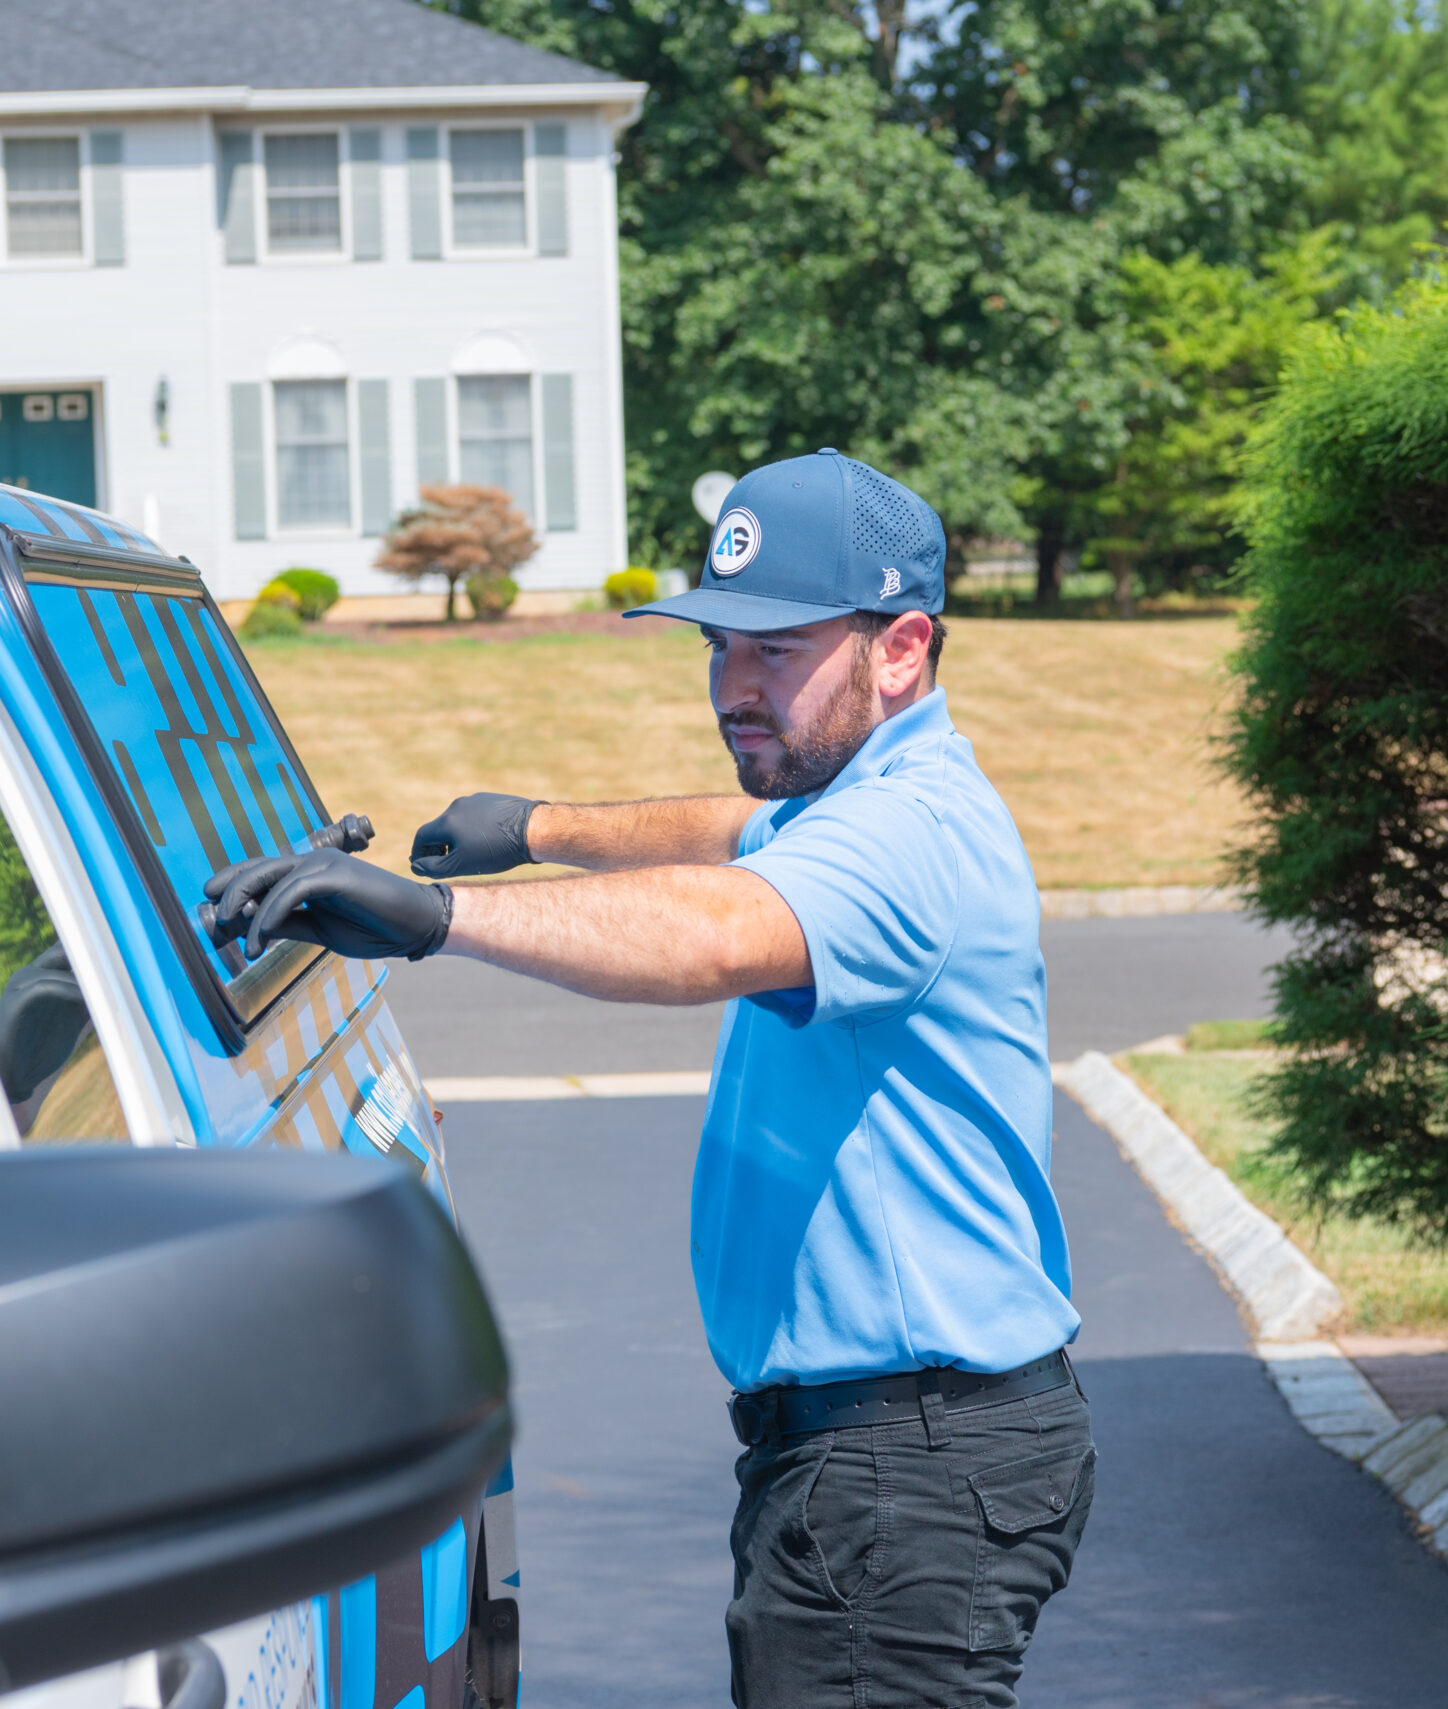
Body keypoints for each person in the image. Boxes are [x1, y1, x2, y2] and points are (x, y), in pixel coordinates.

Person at [203, 449, 1091, 1708]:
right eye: (717, 646)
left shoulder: (904, 837)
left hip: (910, 1465)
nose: (734, 685)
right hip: (895, 1449)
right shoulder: (859, 786)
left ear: (899, 646)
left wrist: (432, 915)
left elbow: (716, 926)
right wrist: (541, 828)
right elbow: (729, 828)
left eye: (775, 649)